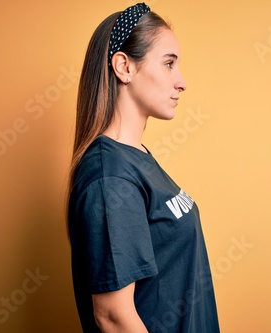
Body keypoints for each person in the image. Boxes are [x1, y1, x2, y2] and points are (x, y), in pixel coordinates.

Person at [67, 3, 220, 332]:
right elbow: (113, 318)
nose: (181, 82)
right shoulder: (111, 176)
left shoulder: (135, 158)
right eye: (168, 64)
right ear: (124, 67)